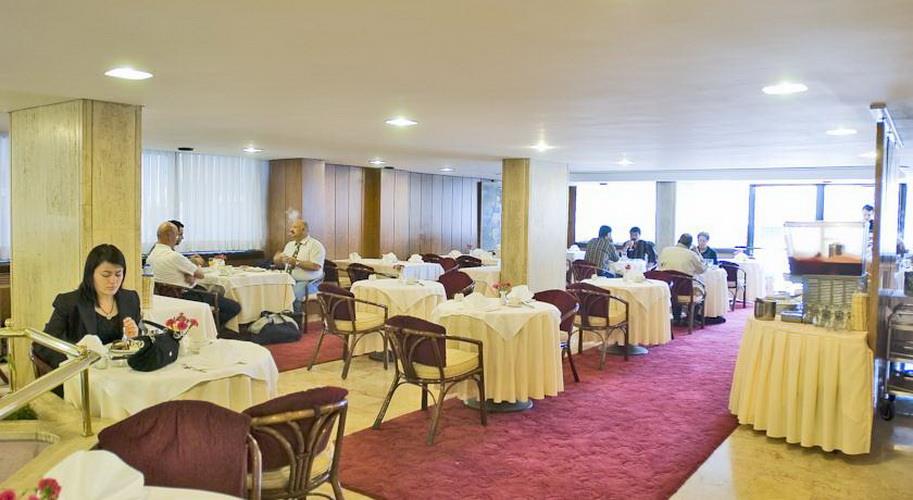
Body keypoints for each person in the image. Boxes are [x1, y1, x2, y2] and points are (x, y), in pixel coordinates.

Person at [35, 244, 141, 370]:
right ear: (90, 274)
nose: (113, 281)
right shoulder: (69, 303)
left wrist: (134, 336)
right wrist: (74, 359)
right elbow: (43, 345)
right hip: (83, 373)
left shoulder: (130, 299)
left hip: (121, 372)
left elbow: (139, 342)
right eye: (106, 275)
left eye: (118, 274)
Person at [147, 221, 241, 328]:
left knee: (214, 293)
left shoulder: (151, 256)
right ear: (169, 236)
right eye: (177, 235)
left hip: (165, 297)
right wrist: (193, 270)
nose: (178, 239)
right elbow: (200, 275)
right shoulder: (173, 256)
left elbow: (177, 270)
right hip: (187, 295)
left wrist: (189, 273)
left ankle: (204, 324)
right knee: (234, 307)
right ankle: (208, 327)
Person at [274, 220, 326, 312]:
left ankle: (297, 319)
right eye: (291, 227)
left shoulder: (316, 245)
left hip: (308, 281)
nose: (291, 230)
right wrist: (277, 260)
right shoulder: (289, 245)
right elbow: (283, 264)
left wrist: (296, 263)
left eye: (295, 227)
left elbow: (316, 266)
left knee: (293, 296)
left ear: (303, 229)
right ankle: (282, 318)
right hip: (288, 280)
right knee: (274, 293)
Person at [659, 233, 707, 325]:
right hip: (685, 290)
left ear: (678, 241)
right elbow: (702, 270)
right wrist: (698, 253)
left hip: (667, 288)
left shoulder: (665, 250)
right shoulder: (692, 254)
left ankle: (676, 317)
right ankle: (690, 318)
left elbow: (660, 266)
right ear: (690, 244)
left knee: (676, 286)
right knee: (700, 288)